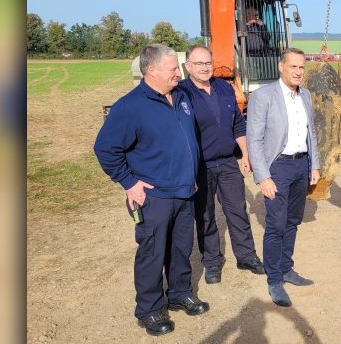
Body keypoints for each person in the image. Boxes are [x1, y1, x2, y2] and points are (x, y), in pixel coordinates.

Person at [93, 44, 209, 336]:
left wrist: (190, 173)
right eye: (173, 69)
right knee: (153, 253)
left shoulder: (181, 96)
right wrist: (129, 182)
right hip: (153, 196)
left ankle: (180, 293)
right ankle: (150, 309)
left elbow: (186, 139)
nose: (178, 74)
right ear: (152, 71)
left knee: (181, 249)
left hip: (184, 190)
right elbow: (105, 148)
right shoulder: (130, 107)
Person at [177, 45, 265, 285]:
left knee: (237, 210)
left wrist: (245, 153)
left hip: (227, 162)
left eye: (208, 63)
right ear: (188, 66)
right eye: (199, 64)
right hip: (200, 166)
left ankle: (246, 256)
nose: (205, 68)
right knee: (204, 215)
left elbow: (238, 124)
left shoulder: (224, 88)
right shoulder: (181, 93)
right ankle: (212, 260)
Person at [246, 48, 320, 307]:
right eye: (293, 67)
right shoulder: (263, 96)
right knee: (276, 226)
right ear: (281, 67)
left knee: (292, 222)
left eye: (302, 67)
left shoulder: (306, 95)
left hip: (301, 166)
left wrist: (315, 165)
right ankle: (274, 279)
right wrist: (263, 176)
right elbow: (254, 139)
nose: (298, 72)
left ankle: (287, 268)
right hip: (277, 167)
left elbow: (312, 132)